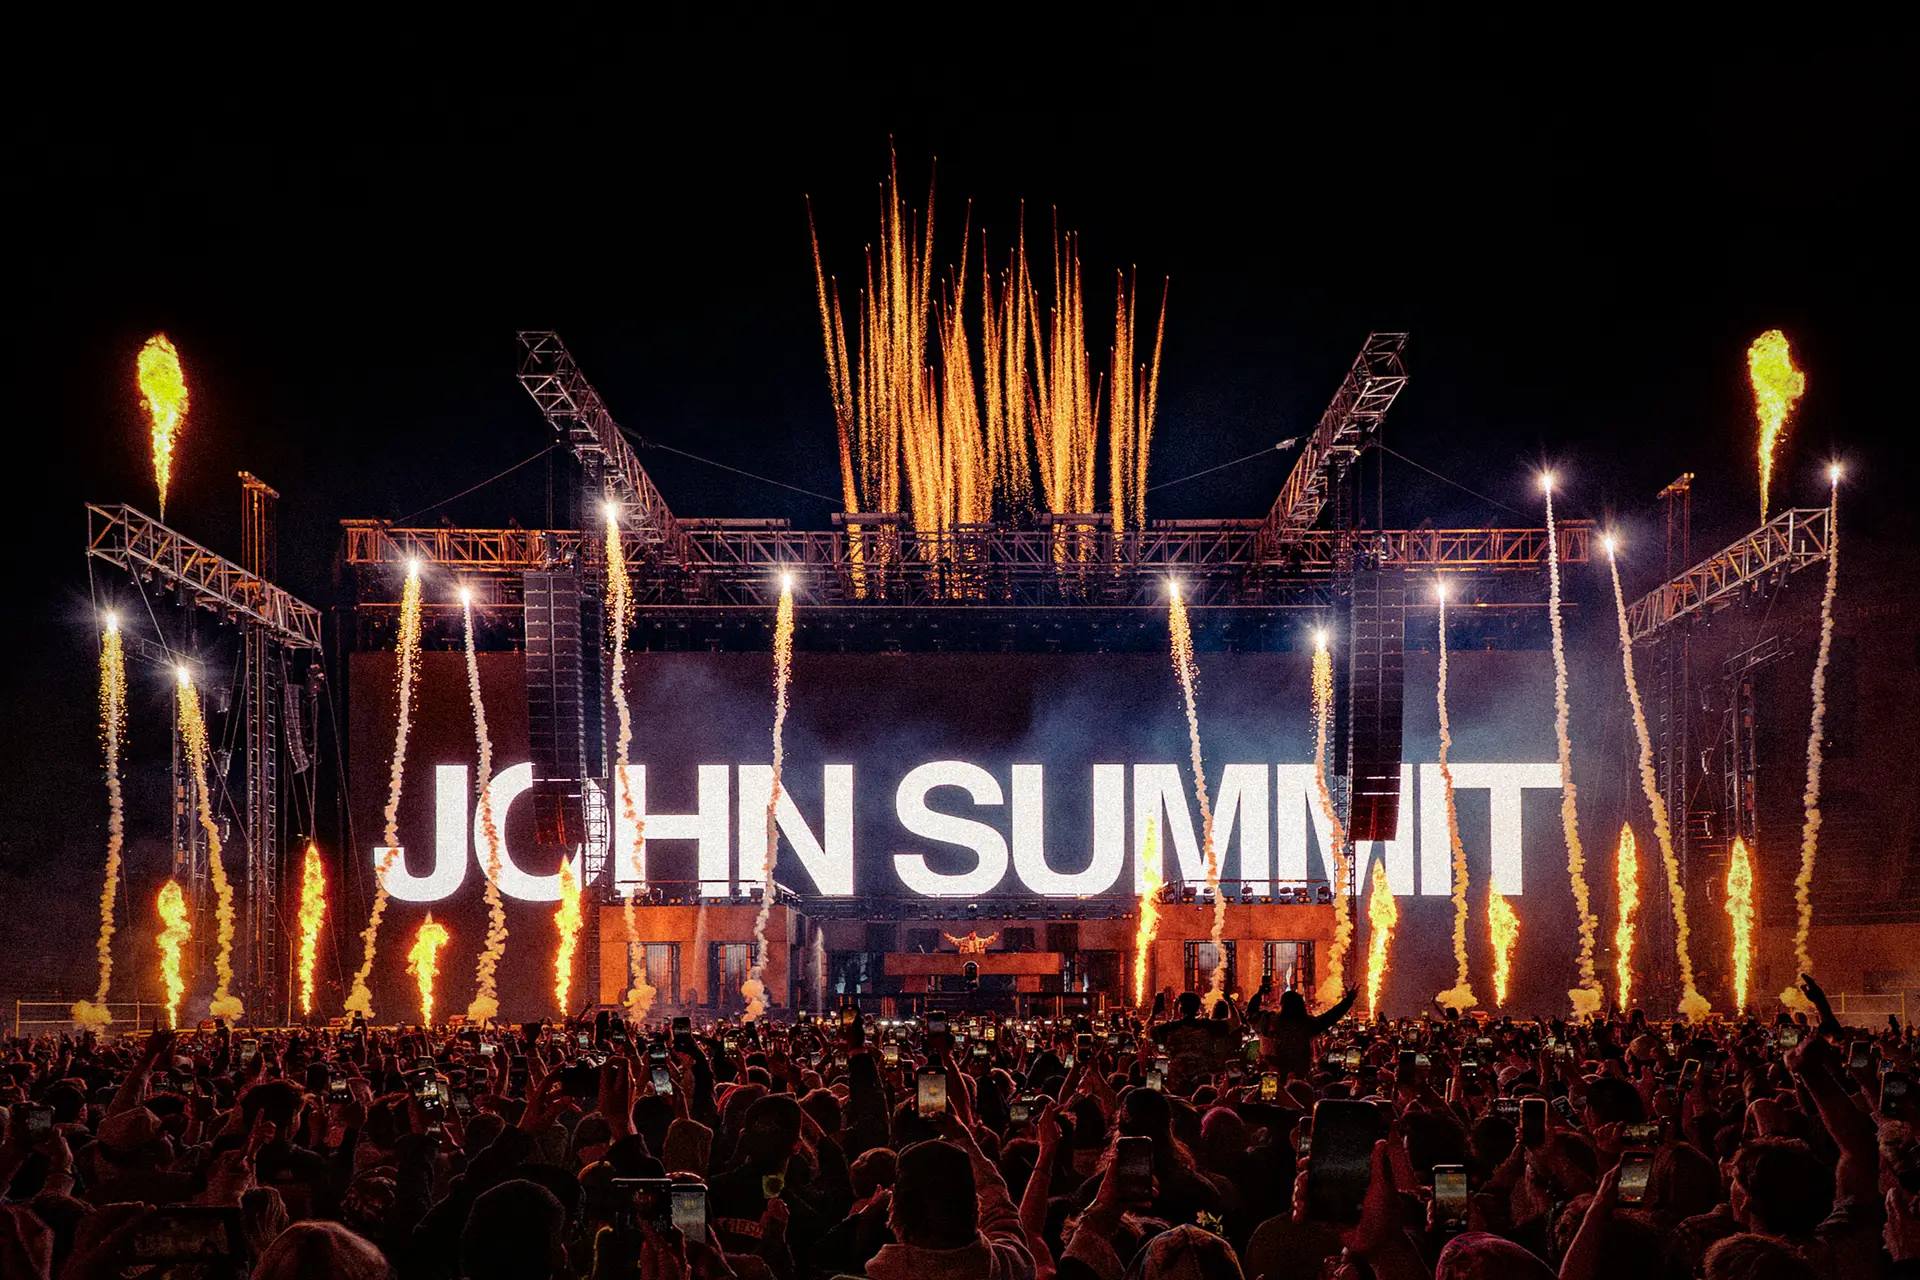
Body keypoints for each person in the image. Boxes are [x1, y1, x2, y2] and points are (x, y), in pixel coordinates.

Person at [1245, 981, 1357, 1079]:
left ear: (1281, 1004)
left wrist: (1260, 994)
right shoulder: (1307, 1024)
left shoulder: (1268, 1021)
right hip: (1300, 1073)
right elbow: (1330, 1017)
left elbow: (1250, 1014)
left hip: (1272, 1073)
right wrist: (1348, 1001)